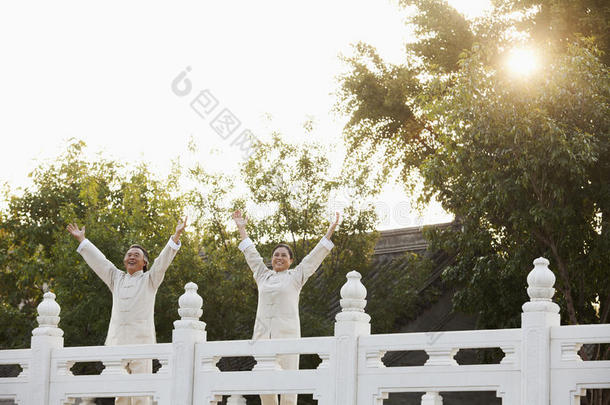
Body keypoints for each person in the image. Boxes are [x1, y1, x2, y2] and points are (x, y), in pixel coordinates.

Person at [66, 218, 187, 405]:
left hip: (142, 344)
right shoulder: (116, 278)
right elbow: (100, 262)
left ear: (144, 262)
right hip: (117, 343)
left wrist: (176, 235)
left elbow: (163, 262)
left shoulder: (150, 280)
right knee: (120, 394)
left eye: (136, 255)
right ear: (124, 260)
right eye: (129, 254)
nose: (131, 257)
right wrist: (82, 240)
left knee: (140, 394)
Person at [232, 210, 340, 405]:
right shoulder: (262, 275)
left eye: (283, 255)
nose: (279, 258)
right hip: (263, 338)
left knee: (289, 388)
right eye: (275, 255)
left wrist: (330, 231)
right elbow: (251, 254)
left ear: (290, 261)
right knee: (265, 385)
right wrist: (241, 228)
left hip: (288, 338)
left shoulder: (296, 276)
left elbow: (313, 258)